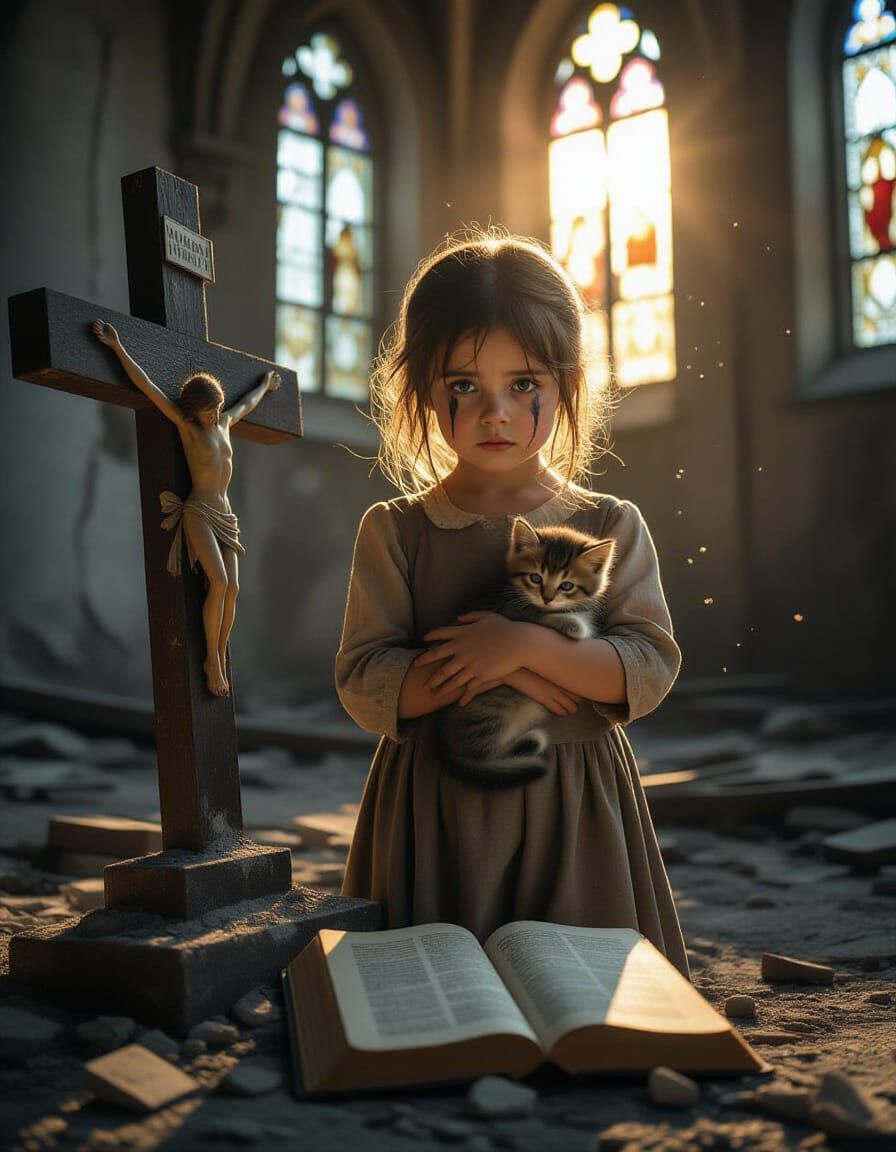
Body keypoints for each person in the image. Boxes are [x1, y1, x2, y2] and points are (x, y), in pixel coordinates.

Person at [335, 231, 689, 978]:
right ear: (422, 391)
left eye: (524, 383)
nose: (494, 411)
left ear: (566, 386)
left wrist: (525, 649)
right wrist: (509, 669)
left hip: (577, 807)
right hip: (436, 804)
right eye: (463, 385)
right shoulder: (395, 531)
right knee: (444, 1001)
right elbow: (366, 678)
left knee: (582, 998)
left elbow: (648, 663)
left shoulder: (608, 526)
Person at [92, 320, 280, 697]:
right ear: (194, 410)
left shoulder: (226, 422)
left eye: (216, 408)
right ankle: (211, 659)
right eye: (207, 411)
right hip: (198, 512)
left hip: (226, 516)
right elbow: (146, 384)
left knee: (235, 589)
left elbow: (247, 403)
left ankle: (220, 654)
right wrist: (116, 347)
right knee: (220, 583)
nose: (213, 415)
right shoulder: (187, 427)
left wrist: (265, 386)